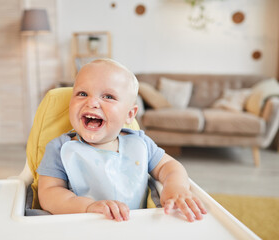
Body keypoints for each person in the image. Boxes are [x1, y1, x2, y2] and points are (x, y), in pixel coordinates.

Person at [37, 58, 207, 222]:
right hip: (82, 228)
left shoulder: (140, 144)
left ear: (129, 114)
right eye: (82, 93)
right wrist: (88, 207)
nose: (92, 102)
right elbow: (49, 193)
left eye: (108, 96)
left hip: (134, 227)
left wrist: (176, 187)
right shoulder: (60, 148)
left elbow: (168, 167)